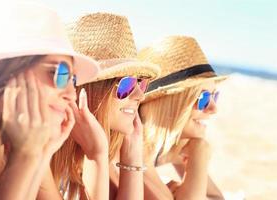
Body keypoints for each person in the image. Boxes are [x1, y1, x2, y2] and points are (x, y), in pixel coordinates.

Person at [0, 2, 99, 200]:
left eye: (73, 80)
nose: (72, 94)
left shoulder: (4, 153)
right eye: (58, 73)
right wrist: (26, 157)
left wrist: (42, 152)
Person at [51, 13, 160, 200]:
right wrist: (97, 156)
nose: (140, 95)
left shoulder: (105, 155)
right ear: (88, 90)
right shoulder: (45, 158)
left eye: (141, 83)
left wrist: (132, 155)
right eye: (127, 84)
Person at [138, 36, 227, 200]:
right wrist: (198, 157)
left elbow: (217, 198)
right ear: (169, 104)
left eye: (215, 96)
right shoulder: (134, 149)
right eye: (204, 98)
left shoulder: (171, 144)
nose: (214, 108)